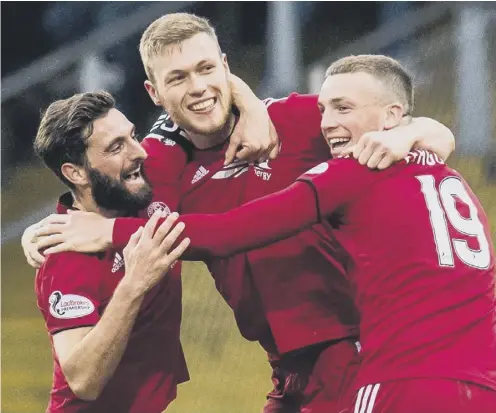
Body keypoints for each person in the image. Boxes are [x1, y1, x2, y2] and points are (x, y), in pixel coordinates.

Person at [23, 13, 456, 413]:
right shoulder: (158, 163)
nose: (197, 87)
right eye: (177, 78)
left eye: (206, 69)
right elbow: (102, 196)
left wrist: (413, 130)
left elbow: (434, 136)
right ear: (154, 93)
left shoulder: (300, 120)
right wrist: (43, 230)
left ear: (226, 69)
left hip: (357, 352)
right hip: (288, 373)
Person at [32, 91, 193, 413]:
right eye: (116, 147)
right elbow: (83, 381)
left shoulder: (145, 183)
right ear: (75, 173)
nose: (140, 153)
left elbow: (193, 102)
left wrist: (249, 107)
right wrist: (135, 284)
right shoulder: (67, 258)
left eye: (132, 135)